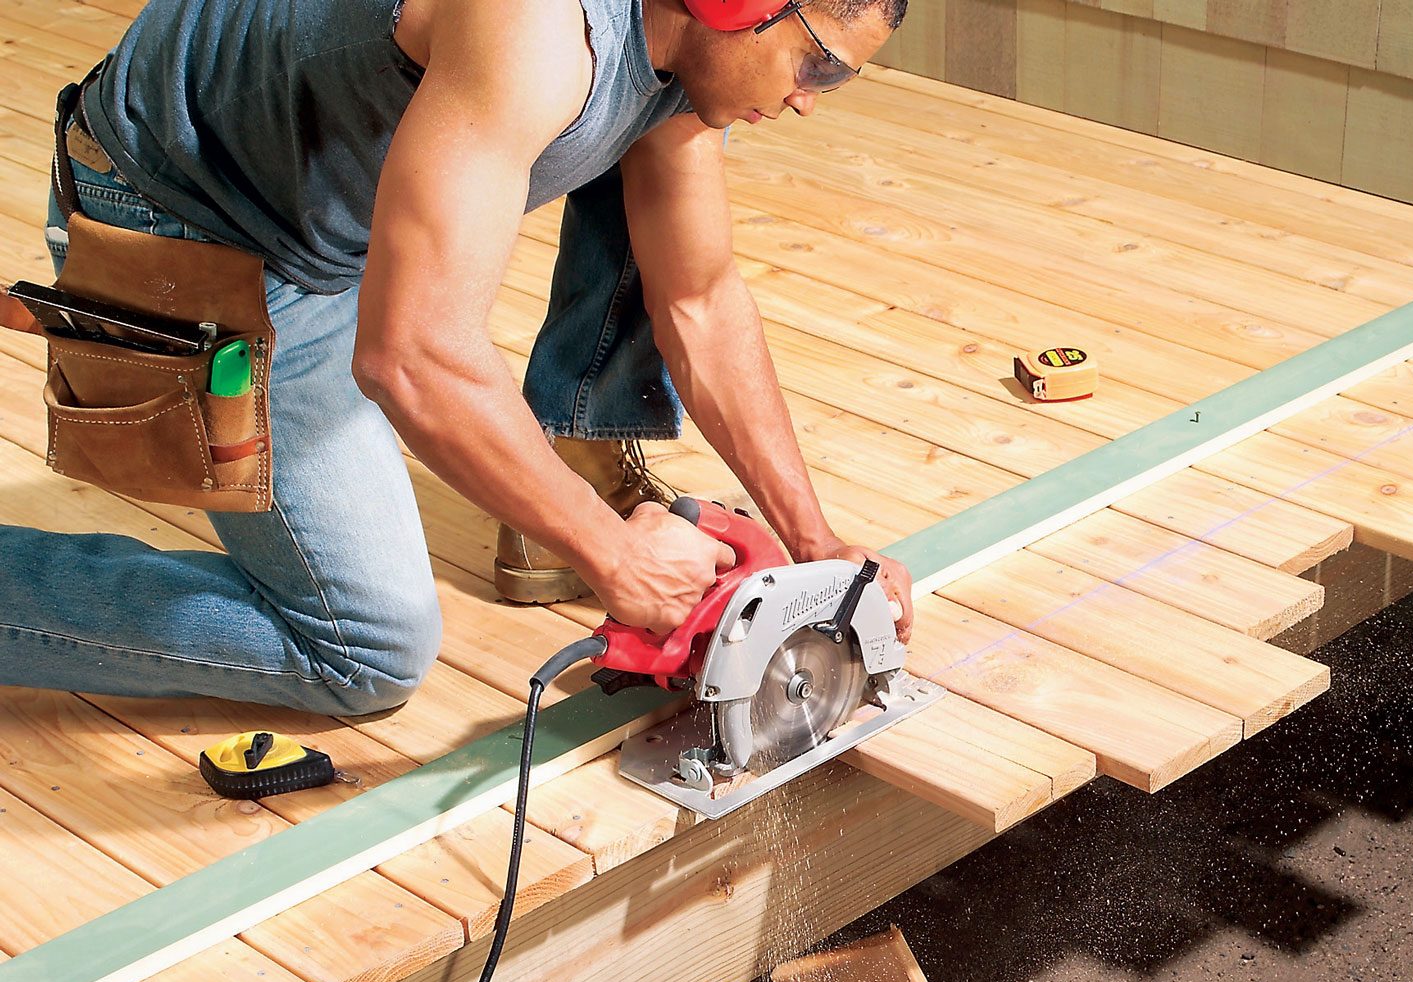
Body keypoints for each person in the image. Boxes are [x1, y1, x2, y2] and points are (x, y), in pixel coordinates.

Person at [0, 0, 915, 716]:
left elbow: (700, 300)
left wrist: (817, 547)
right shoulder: (538, 30)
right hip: (191, 217)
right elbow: (409, 356)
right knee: (366, 651)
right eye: (819, 61)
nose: (807, 96)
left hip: (332, 220)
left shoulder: (690, 62)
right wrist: (608, 550)